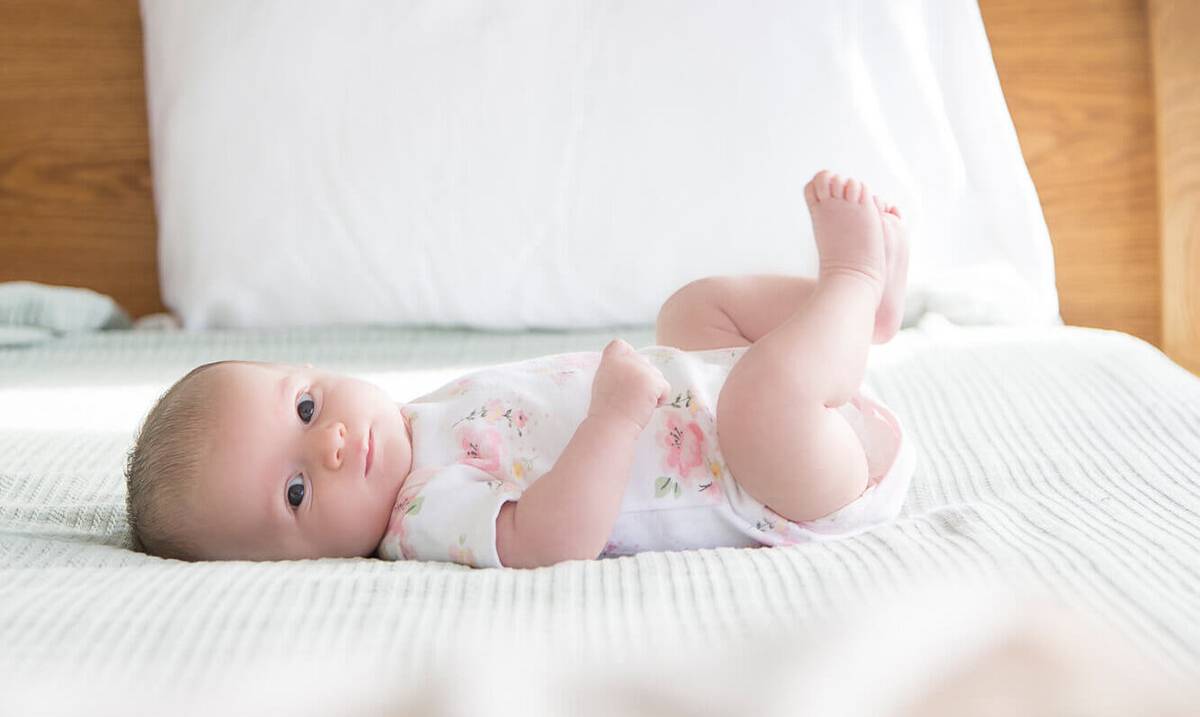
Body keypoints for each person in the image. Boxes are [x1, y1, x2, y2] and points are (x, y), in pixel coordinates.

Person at [126, 172, 915, 567]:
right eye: (297, 491)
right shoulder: (422, 515)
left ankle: (854, 326)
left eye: (303, 409)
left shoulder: (419, 421)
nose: (330, 442)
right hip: (780, 486)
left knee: (692, 311)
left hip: (730, 407)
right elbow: (549, 541)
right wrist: (613, 419)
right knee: (760, 401)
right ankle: (853, 280)